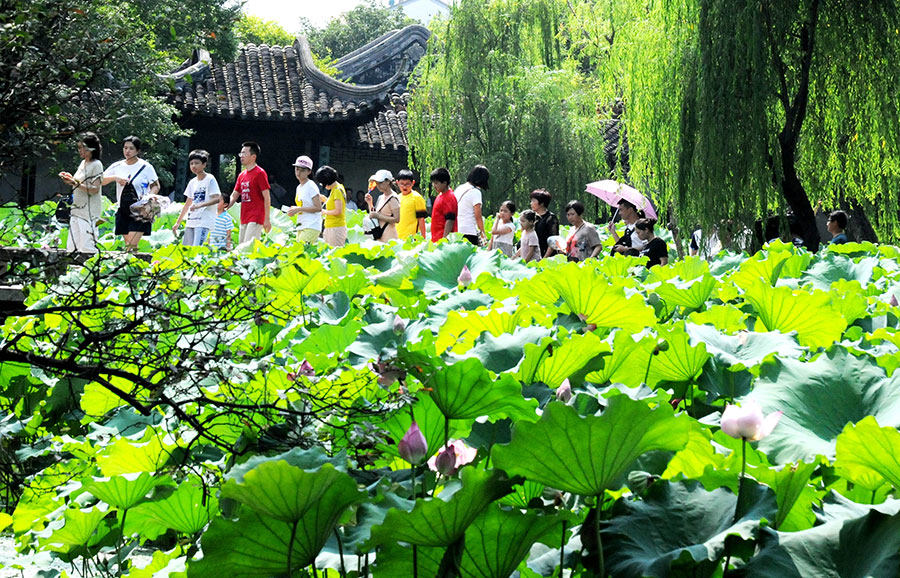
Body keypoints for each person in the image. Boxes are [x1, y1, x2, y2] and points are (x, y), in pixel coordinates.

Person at [102, 135, 160, 251]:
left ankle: (132, 264)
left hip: (140, 209)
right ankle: (133, 265)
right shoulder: (117, 166)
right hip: (123, 207)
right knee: (129, 244)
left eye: (131, 148)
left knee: (132, 243)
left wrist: (148, 198)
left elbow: (156, 185)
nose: (127, 151)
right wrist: (115, 178)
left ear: (137, 150)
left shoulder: (146, 167)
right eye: (125, 148)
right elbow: (101, 181)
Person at [58, 132, 103, 253]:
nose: (80, 151)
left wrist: (75, 183)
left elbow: (95, 189)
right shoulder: (83, 163)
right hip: (76, 210)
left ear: (91, 149)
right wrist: (70, 179)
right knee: (71, 246)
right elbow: (78, 182)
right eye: (79, 148)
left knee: (88, 246)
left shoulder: (97, 165)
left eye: (82, 148)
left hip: (89, 212)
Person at [172, 149, 221, 247]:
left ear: (204, 164)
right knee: (187, 249)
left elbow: (217, 198)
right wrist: (178, 222)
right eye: (191, 163)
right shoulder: (192, 182)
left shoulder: (210, 179)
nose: (193, 166)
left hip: (203, 221)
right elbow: (187, 203)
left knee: (197, 250)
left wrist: (200, 205)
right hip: (191, 221)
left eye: (197, 163)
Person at [227, 141, 271, 245]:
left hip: (256, 217)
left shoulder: (260, 173)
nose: (241, 156)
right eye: (240, 153)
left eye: (244, 153)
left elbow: (267, 197)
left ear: (253, 157)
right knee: (241, 247)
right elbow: (234, 194)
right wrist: (224, 206)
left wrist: (267, 219)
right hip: (244, 216)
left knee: (248, 248)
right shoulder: (241, 175)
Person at [286, 155, 322, 244]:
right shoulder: (299, 187)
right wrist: (294, 210)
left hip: (311, 225)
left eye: (302, 170)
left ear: (309, 172)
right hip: (301, 225)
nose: (299, 172)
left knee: (300, 253)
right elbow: (303, 206)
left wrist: (298, 209)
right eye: (297, 169)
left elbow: (318, 208)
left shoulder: (311, 185)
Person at [454, 165, 489, 245]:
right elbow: (478, 216)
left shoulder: (459, 188)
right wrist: (483, 232)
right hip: (469, 231)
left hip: (457, 230)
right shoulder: (475, 192)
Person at [316, 165, 347, 247]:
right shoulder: (337, 188)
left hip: (335, 228)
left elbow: (338, 211)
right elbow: (334, 204)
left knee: (333, 255)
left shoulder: (337, 190)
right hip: (331, 227)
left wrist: (323, 212)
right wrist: (325, 199)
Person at [366, 170, 400, 242]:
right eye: (377, 183)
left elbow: (397, 219)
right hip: (379, 235)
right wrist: (370, 203)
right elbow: (375, 214)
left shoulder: (393, 198)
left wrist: (378, 216)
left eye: (380, 183)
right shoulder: (380, 197)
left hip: (390, 237)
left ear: (388, 182)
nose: (378, 186)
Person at [396, 169, 427, 239]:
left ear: (413, 183)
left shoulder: (417, 198)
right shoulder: (397, 197)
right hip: (398, 238)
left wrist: (423, 238)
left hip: (412, 239)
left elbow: (421, 219)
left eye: (407, 184)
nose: (404, 187)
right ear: (397, 183)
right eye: (402, 184)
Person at [530, 189, 559, 258]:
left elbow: (553, 241)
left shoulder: (551, 218)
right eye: (531, 201)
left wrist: (544, 258)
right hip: (533, 254)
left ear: (542, 203)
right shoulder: (532, 217)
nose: (531, 203)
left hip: (546, 256)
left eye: (533, 201)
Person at [429, 167, 456, 242]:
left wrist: (444, 240)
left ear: (444, 183)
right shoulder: (441, 195)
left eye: (436, 183)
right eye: (433, 183)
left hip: (442, 239)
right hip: (436, 238)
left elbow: (450, 220)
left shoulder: (449, 197)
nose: (434, 186)